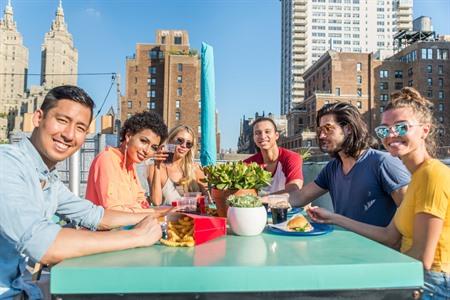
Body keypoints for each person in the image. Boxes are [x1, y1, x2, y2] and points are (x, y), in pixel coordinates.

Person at [0, 86, 163, 300]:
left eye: (79, 128)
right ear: (38, 118)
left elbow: (96, 215)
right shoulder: (7, 163)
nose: (68, 135)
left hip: (23, 288)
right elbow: (42, 244)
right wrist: (137, 236)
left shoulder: (48, 176)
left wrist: (155, 216)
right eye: (62, 120)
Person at [308, 88, 450, 299]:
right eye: (384, 130)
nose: (391, 135)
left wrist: (376, 277)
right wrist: (333, 218)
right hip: (411, 274)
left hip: (430, 284)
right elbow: (389, 235)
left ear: (425, 131)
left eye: (401, 127)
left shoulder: (433, 174)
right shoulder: (417, 177)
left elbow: (423, 259)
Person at [288, 102, 410, 227]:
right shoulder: (332, 168)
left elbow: (411, 216)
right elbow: (300, 196)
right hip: (343, 243)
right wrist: (268, 200)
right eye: (320, 130)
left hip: (376, 246)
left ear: (348, 129)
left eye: (328, 128)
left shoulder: (384, 163)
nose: (322, 135)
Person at [86, 111, 170, 212]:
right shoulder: (107, 159)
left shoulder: (130, 165)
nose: (147, 150)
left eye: (153, 147)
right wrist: (151, 212)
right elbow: (112, 210)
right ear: (129, 136)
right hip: (104, 227)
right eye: (143, 141)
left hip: (128, 226)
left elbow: (142, 201)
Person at [147, 125, 206, 206]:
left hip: (192, 218)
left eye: (188, 144)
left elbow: (208, 198)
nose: (184, 146)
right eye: (180, 140)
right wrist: (157, 166)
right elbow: (156, 202)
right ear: (170, 140)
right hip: (169, 218)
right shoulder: (155, 168)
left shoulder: (195, 169)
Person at [243, 117, 303, 194]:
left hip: (287, 205)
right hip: (258, 206)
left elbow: (294, 190)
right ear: (254, 138)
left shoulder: (292, 158)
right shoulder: (248, 164)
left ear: (276, 135)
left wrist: (260, 199)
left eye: (267, 132)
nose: (262, 136)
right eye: (257, 133)